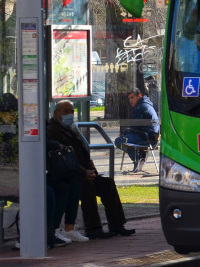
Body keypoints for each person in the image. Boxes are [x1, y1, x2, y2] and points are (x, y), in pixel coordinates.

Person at [46, 100, 134, 239]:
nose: (70, 115)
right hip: (69, 174)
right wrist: (84, 172)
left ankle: (117, 224)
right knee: (87, 186)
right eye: (66, 112)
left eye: (72, 112)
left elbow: (83, 153)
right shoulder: (53, 131)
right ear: (56, 114)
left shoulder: (70, 129)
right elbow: (65, 158)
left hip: (82, 172)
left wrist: (92, 171)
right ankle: (93, 228)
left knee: (107, 183)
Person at [115, 88, 159, 173]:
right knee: (126, 137)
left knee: (119, 141)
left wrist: (124, 134)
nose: (130, 100)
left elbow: (135, 128)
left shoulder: (141, 107)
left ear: (139, 96)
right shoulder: (145, 104)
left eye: (132, 97)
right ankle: (140, 157)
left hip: (146, 138)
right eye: (129, 98)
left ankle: (138, 158)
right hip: (150, 136)